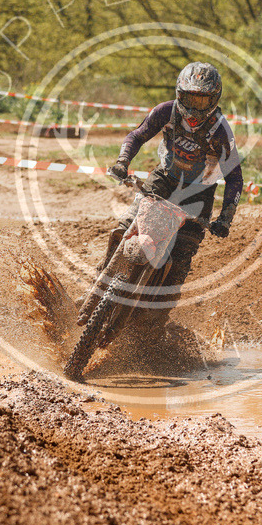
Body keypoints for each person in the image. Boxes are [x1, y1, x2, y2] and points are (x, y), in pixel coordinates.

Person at [78, 61, 243, 336]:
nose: (195, 107)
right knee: (124, 227)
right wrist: (122, 162)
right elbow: (137, 135)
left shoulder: (221, 130)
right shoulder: (166, 111)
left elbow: (235, 177)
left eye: (202, 100)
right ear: (180, 94)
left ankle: (153, 323)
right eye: (190, 98)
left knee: (181, 256)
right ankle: (97, 282)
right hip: (164, 178)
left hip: (199, 193)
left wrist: (225, 218)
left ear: (214, 99)